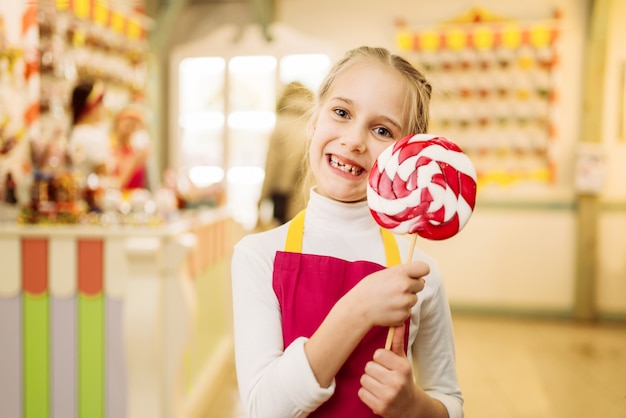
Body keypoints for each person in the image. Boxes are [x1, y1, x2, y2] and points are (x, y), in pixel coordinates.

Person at [231, 46, 463, 418]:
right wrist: (358, 308)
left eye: (382, 130)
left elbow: (450, 402)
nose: (354, 140)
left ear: (407, 154)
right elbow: (264, 409)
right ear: (314, 121)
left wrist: (415, 406)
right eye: (341, 112)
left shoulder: (420, 273)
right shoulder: (257, 256)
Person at [258, 81, 314, 226]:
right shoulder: (314, 122)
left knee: (283, 242)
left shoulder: (281, 124)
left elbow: (271, 166)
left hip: (283, 197)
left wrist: (260, 201)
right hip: (308, 197)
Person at [67, 81, 110, 179]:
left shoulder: (75, 132)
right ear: (91, 107)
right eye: (101, 103)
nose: (104, 108)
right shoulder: (93, 135)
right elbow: (104, 177)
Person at [110, 103, 150, 191]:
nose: (131, 124)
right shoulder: (108, 147)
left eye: (136, 121)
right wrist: (134, 161)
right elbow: (115, 185)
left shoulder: (138, 149)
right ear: (117, 121)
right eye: (128, 119)